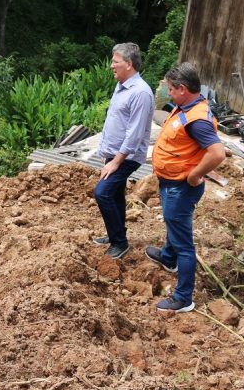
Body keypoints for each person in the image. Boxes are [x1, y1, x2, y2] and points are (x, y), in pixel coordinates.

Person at [146, 62, 225, 312]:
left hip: (180, 187)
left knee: (184, 243)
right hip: (171, 183)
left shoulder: (197, 119)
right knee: (174, 223)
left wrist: (194, 175)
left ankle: (183, 298)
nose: (169, 93)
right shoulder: (186, 107)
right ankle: (168, 258)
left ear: (182, 89)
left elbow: (217, 153)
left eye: (170, 89)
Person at [92, 43, 154, 260]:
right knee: (116, 193)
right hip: (114, 153)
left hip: (127, 156)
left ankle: (120, 243)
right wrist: (105, 152)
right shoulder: (122, 85)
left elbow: (135, 134)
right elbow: (116, 120)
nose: (111, 66)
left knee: (103, 192)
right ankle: (114, 234)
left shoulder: (140, 93)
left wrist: (116, 161)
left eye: (115, 61)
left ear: (128, 64)